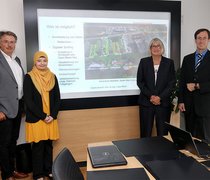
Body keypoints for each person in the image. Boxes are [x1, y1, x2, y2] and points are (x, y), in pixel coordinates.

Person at [23, 51, 60, 180]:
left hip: (50, 118)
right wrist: (44, 116)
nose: (42, 63)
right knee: (38, 147)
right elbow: (28, 100)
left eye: (44, 60)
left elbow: (57, 98)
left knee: (48, 146)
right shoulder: (29, 77)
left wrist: (52, 115)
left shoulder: (53, 76)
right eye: (39, 60)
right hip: (37, 118)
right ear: (35, 62)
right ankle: (38, 174)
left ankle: (48, 171)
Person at [0, 31, 29, 180]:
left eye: (12, 42)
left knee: (13, 141)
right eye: (6, 41)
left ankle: (12, 170)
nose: (9, 44)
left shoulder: (16, 60)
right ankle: (6, 175)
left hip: (17, 108)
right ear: (0, 43)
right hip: (3, 110)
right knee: (3, 144)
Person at [137, 38, 176, 137]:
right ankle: (144, 152)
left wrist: (160, 97)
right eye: (153, 46)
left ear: (162, 48)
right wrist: (151, 96)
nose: (156, 48)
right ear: (150, 48)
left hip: (163, 103)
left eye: (158, 46)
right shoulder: (143, 62)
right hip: (146, 103)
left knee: (163, 134)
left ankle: (162, 153)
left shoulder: (169, 63)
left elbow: (171, 83)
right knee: (145, 133)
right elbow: (140, 82)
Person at [178, 28, 210, 142]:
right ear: (195, 40)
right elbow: (182, 81)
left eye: (204, 38)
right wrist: (181, 100)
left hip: (205, 108)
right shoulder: (187, 59)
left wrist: (197, 86)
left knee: (205, 140)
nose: (201, 41)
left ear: (208, 40)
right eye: (199, 38)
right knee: (190, 140)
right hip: (189, 105)